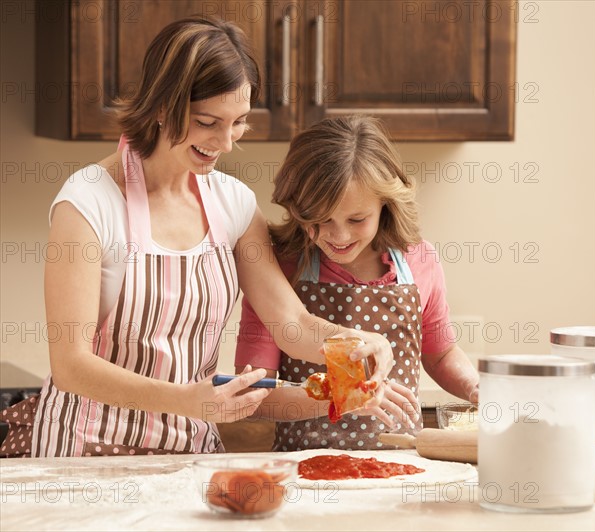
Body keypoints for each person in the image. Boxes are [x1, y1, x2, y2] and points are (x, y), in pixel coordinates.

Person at [0, 17, 394, 458]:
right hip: (86, 453)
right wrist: (186, 401)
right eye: (209, 122)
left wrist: (355, 341)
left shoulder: (234, 204)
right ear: (162, 105)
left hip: (190, 454)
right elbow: (71, 366)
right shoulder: (88, 202)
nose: (226, 142)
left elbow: (293, 325)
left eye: (239, 122)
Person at [235, 115, 480, 451]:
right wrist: (343, 395)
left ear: (386, 204)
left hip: (404, 466)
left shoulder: (420, 261)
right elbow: (255, 395)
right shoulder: (279, 268)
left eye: (357, 219)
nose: (339, 236)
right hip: (305, 471)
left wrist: (474, 386)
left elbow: (440, 355)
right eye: (319, 220)